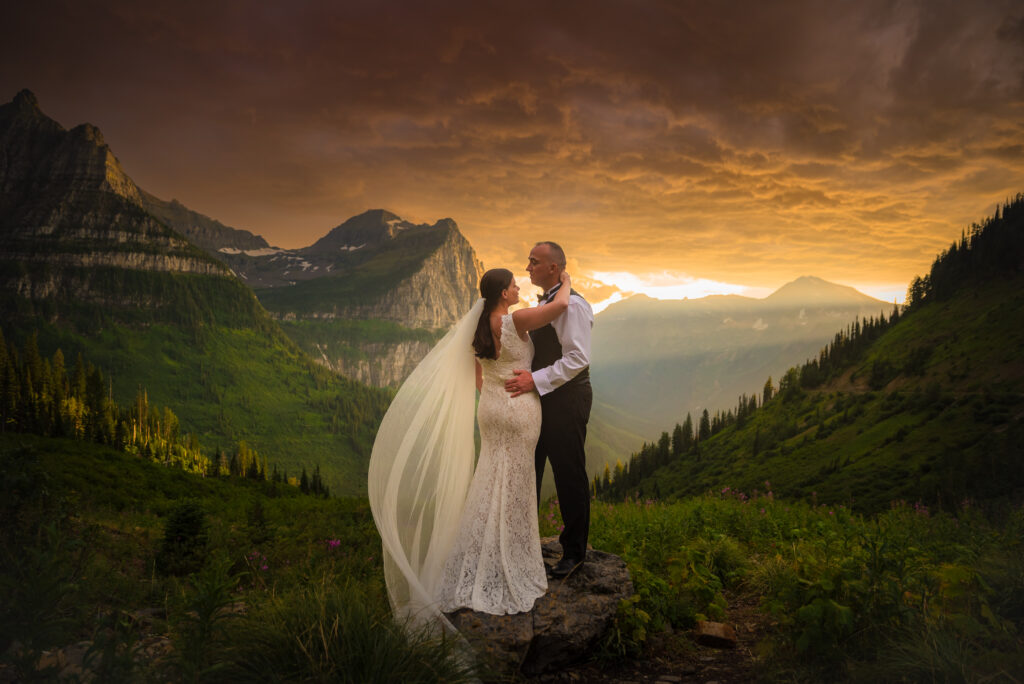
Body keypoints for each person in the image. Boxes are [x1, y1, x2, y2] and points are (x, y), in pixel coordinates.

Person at [368, 266, 571, 630]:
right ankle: (510, 555)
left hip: (490, 410)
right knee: (516, 480)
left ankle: (480, 553)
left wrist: (494, 393)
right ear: (503, 294)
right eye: (513, 285)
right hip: (519, 409)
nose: (518, 286)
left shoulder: (479, 326)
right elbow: (558, 308)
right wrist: (566, 280)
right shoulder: (513, 322)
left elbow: (479, 375)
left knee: (489, 476)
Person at [504, 241, 594, 578]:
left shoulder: (573, 307)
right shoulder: (551, 302)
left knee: (569, 473)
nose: (527, 268)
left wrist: (534, 381)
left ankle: (574, 554)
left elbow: (577, 358)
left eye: (534, 262)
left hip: (567, 399)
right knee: (532, 467)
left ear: (553, 268)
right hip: (543, 398)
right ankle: (525, 544)